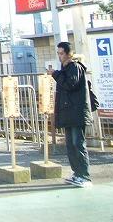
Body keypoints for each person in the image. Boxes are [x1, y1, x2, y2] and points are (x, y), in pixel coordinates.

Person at [48, 41, 92, 187]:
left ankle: (84, 176)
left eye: (61, 53)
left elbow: (69, 85)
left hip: (77, 113)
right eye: (58, 53)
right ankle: (77, 173)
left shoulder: (75, 67)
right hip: (69, 113)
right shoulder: (66, 69)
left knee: (77, 144)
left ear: (68, 54)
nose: (59, 56)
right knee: (71, 145)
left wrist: (56, 75)